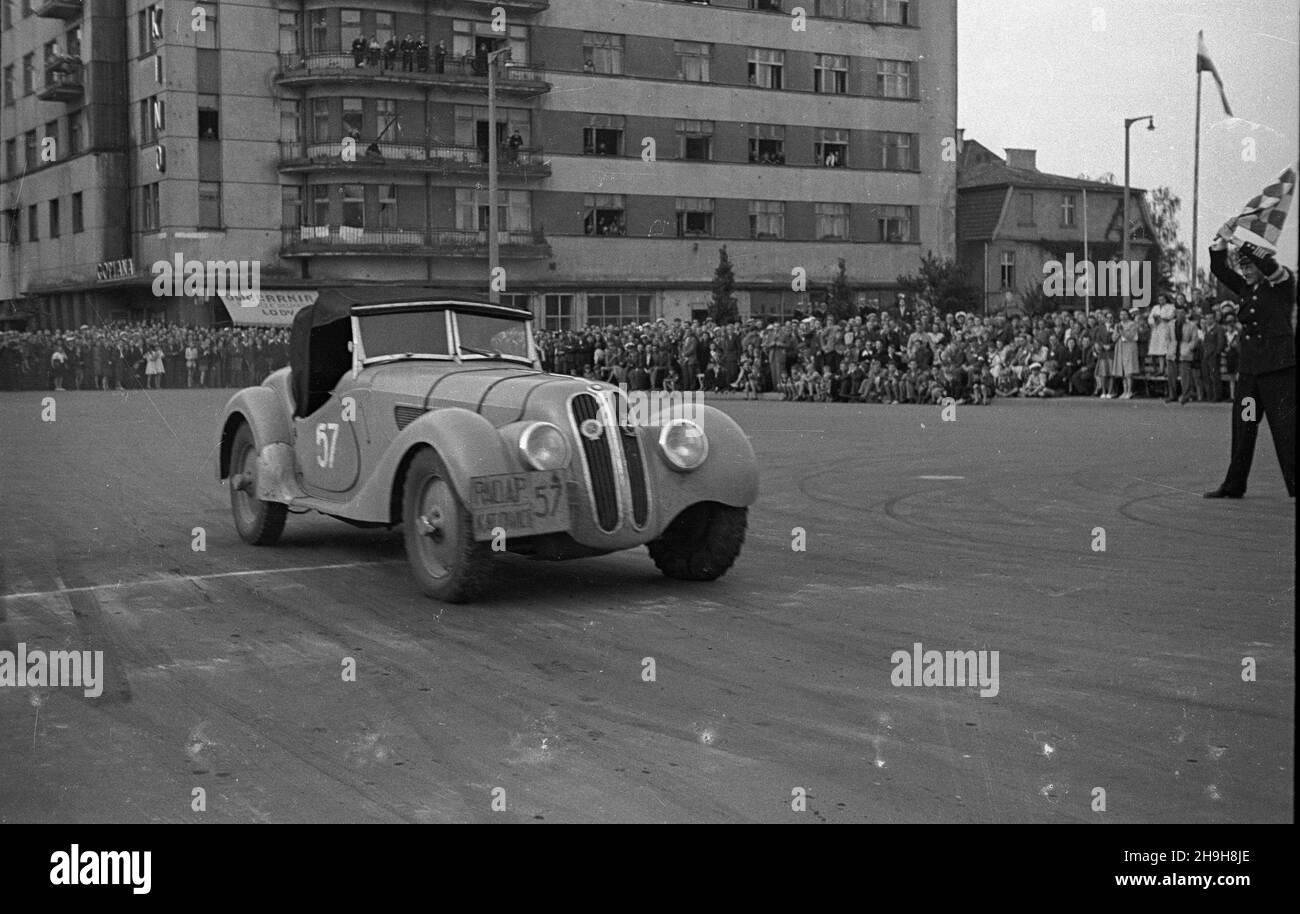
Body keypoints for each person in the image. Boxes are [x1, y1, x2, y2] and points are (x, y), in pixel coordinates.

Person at [1203, 232, 1295, 498]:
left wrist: (1239, 241)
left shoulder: (1282, 284)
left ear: (1261, 265)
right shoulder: (1245, 289)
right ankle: (1234, 485)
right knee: (1244, 426)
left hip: (1278, 373)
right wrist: (1221, 242)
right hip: (1251, 375)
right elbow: (1220, 270)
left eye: (1250, 266)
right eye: (1243, 267)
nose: (1246, 271)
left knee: (1285, 430)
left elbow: (1270, 266)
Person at [1113, 309, 1140, 399]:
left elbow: (1131, 336)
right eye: (1121, 314)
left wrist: (1122, 331)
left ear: (1128, 315)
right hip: (1120, 348)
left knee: (1128, 371)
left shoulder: (1132, 324)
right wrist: (1118, 332)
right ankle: (1124, 391)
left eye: (1125, 314)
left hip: (1129, 347)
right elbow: (1113, 338)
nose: (1123, 316)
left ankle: (1130, 391)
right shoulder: (1117, 325)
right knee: (1123, 371)